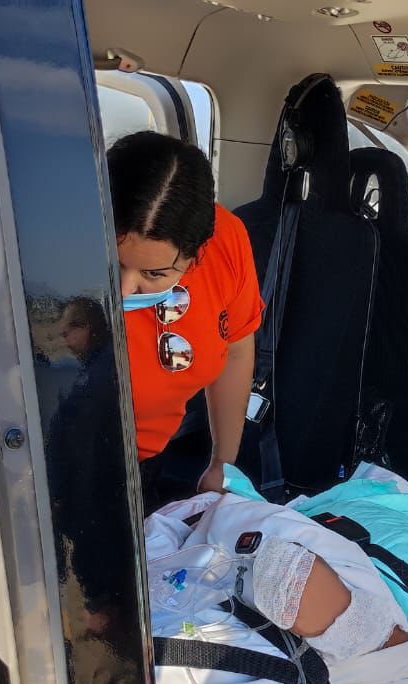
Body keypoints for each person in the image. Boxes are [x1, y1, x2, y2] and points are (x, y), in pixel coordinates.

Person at [107, 131, 264, 509]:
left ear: (197, 255)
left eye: (154, 274)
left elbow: (236, 349)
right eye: (113, 263)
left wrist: (223, 463)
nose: (125, 290)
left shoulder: (226, 241)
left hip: (142, 460)